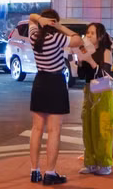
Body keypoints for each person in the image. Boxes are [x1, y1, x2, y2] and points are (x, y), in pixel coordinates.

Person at [27, 10, 84, 185]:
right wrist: (58, 26)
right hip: (56, 82)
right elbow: (78, 39)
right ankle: (50, 173)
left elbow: (31, 17)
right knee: (54, 130)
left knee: (37, 129)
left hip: (40, 81)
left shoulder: (34, 36)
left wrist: (39, 19)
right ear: (53, 22)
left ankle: (34, 171)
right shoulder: (57, 39)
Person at [77, 22, 113, 176]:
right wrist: (80, 61)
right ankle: (90, 162)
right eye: (87, 33)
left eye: (92, 33)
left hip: (102, 91)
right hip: (88, 90)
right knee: (88, 128)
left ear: (100, 36)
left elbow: (104, 74)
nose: (88, 35)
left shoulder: (106, 52)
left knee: (103, 128)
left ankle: (104, 163)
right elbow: (80, 76)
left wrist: (90, 61)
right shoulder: (85, 51)